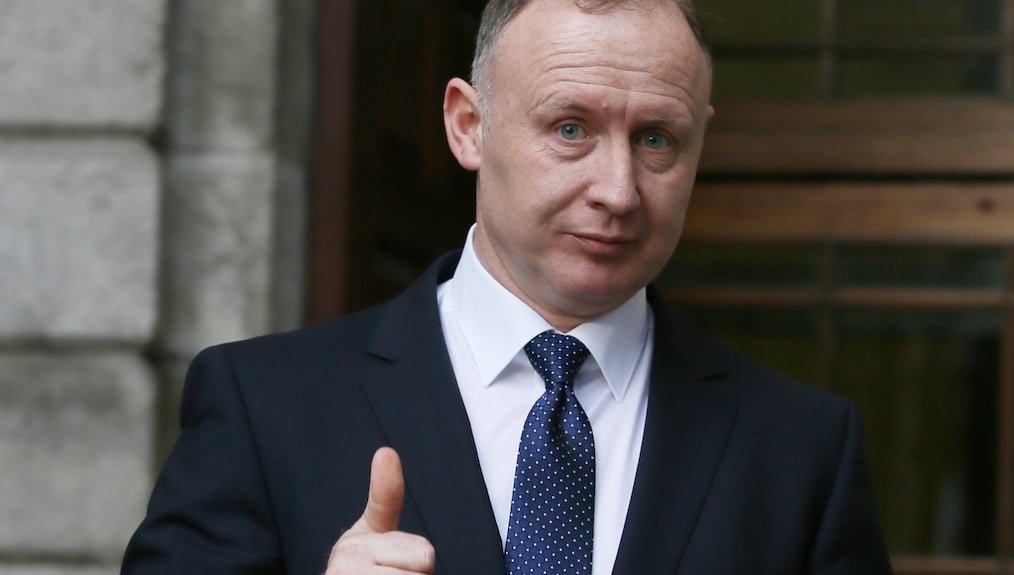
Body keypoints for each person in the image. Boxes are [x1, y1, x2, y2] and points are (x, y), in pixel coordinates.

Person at [122, 0, 893, 573]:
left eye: (657, 139)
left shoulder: (802, 451)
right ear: (468, 125)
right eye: (570, 129)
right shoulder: (264, 406)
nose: (618, 190)